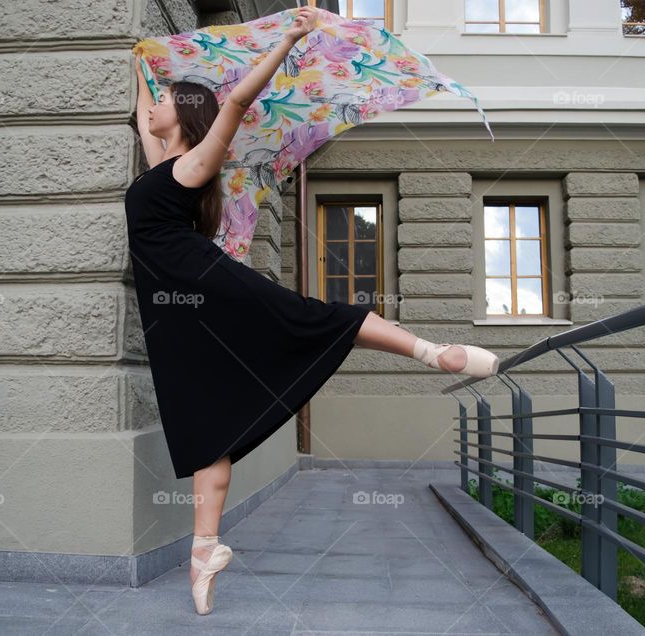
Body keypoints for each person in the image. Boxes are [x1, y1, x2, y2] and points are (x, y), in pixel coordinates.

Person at [125, 5, 499, 616]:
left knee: (315, 318)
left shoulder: (195, 164)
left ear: (186, 116)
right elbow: (147, 122)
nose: (156, 104)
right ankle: (204, 554)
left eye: (167, 97)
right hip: (174, 318)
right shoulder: (161, 167)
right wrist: (145, 68)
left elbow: (238, 104)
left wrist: (288, 39)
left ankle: (436, 353)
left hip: (211, 291)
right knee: (203, 432)